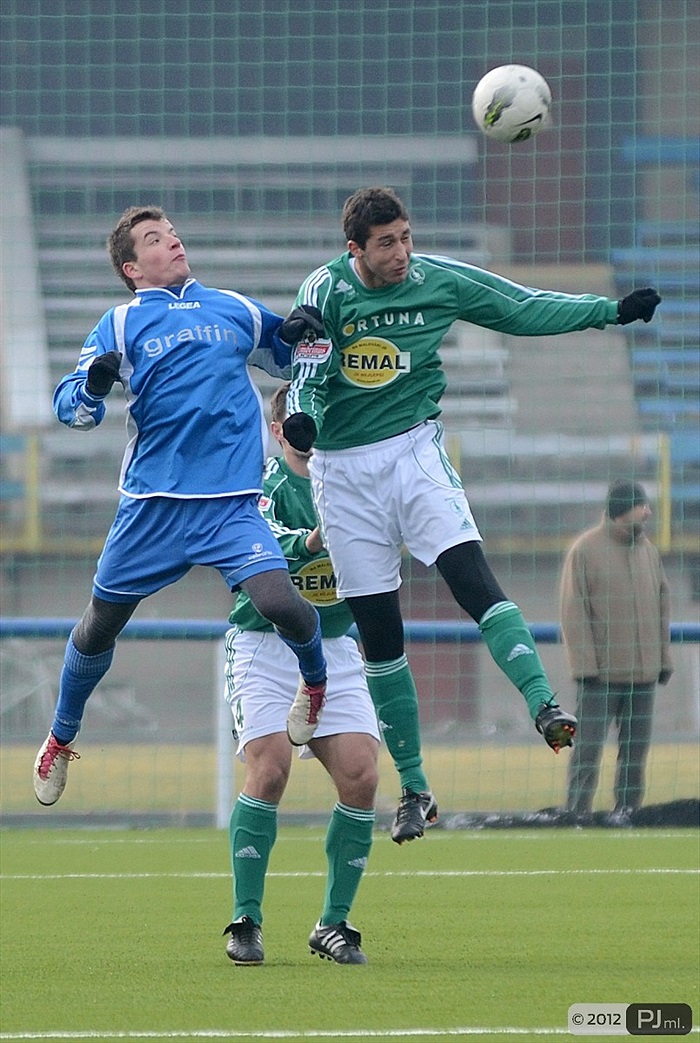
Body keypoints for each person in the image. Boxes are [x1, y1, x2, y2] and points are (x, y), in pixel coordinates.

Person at [281, 185, 662, 842]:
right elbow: (308, 378)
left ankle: (544, 705)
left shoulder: (437, 280)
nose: (402, 252)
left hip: (413, 453)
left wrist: (610, 311)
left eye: (406, 237)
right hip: (342, 475)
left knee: (472, 577)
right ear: (355, 249)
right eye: (386, 243)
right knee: (380, 634)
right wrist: (303, 422)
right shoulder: (325, 291)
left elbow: (521, 307)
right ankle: (415, 789)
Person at [32, 205, 328, 807]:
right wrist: (93, 386)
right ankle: (60, 739)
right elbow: (72, 410)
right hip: (153, 508)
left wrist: (301, 334)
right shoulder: (120, 323)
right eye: (154, 239)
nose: (172, 242)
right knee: (99, 626)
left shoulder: (232, 307)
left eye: (172, 233)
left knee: (280, 602)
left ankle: (315, 685)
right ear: (131, 268)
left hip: (230, 506)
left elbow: (288, 358)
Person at [223, 383, 380, 965]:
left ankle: (334, 923)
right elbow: (261, 546)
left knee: (362, 775)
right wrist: (317, 537)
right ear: (277, 430)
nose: (309, 431)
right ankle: (246, 919)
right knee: (270, 768)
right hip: (267, 644)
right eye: (296, 422)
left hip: (334, 646)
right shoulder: (261, 484)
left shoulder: (354, 478)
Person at [560, 479, 673, 818]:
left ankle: (628, 814)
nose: (648, 512)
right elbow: (574, 611)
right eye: (642, 505)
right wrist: (586, 667)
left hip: (643, 676)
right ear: (624, 509)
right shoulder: (584, 550)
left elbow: (662, 606)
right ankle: (577, 814)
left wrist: (661, 659)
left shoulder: (649, 552)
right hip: (600, 677)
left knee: (635, 755)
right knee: (587, 751)